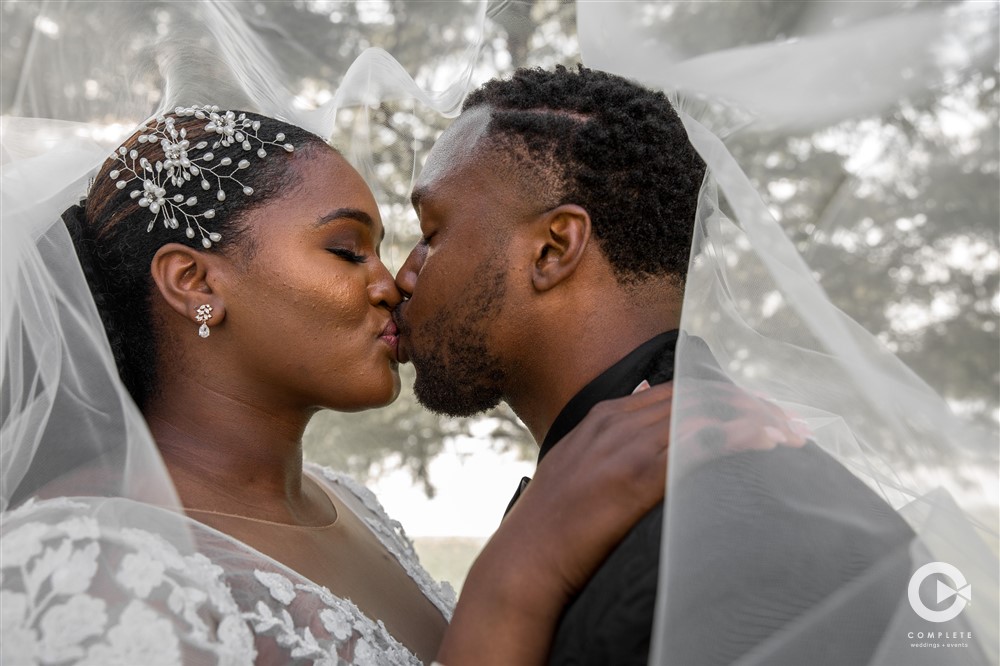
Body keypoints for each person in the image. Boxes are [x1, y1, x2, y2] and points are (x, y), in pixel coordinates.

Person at [1, 104, 680, 665]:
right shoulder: (81, 558)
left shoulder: (355, 508)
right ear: (196, 282)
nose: (392, 286)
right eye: (348, 250)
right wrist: (519, 574)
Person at [393, 65, 920, 665]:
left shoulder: (723, 535)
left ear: (553, 248)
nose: (403, 277)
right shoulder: (666, 471)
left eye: (431, 233)